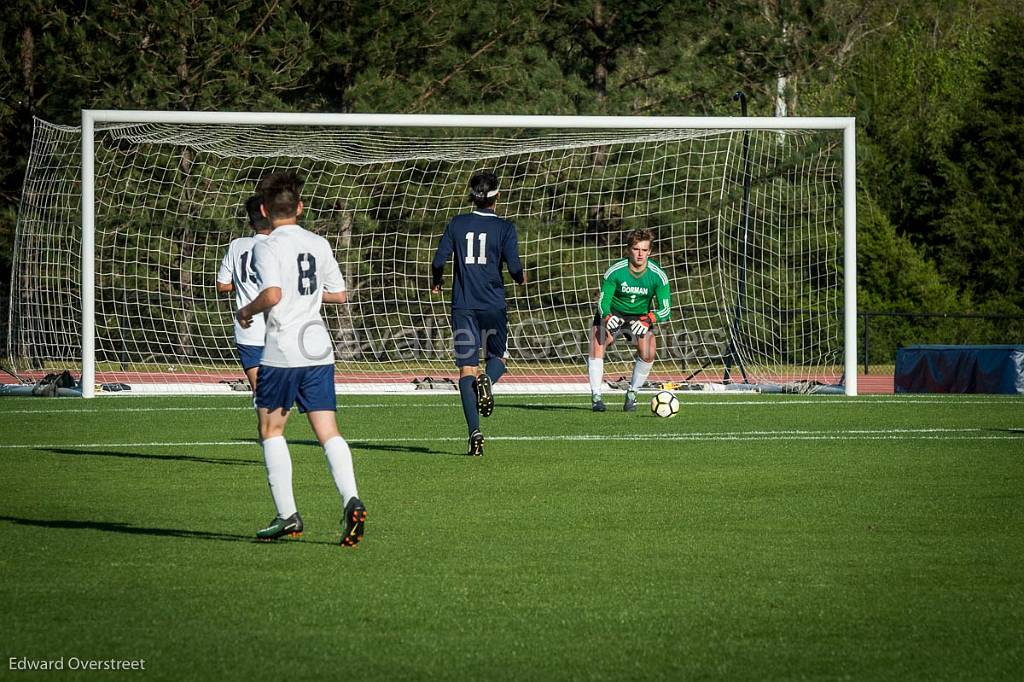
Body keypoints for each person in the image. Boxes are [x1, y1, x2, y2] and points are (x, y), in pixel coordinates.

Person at [237, 171, 366, 546]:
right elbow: (338, 294)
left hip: (283, 351)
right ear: (300, 208)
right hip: (318, 348)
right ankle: (351, 499)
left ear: (264, 210)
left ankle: (287, 515)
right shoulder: (319, 242)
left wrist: (247, 311)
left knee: (271, 431)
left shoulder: (266, 246)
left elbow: (273, 295)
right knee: (329, 432)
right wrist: (304, 297)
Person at [430, 170, 526, 457]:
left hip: (463, 306)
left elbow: (438, 261)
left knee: (466, 370)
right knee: (499, 358)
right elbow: (514, 268)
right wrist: (521, 279)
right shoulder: (505, 228)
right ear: (497, 196)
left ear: (471, 196)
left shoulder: (457, 224)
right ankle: (490, 380)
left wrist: (436, 280)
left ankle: (474, 433)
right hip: (493, 304)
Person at [588, 228, 672, 412]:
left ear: (650, 251)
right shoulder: (615, 271)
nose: (640, 254)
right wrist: (608, 316)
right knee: (597, 340)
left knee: (649, 351)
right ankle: (596, 397)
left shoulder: (658, 275)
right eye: (636, 249)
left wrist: (649, 319)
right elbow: (602, 302)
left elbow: (666, 310)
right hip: (614, 312)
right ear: (628, 249)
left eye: (644, 250)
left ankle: (632, 393)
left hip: (640, 316)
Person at [217, 195, 272, 393]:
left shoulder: (236, 245)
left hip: (247, 330)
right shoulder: (281, 246)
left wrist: (241, 284)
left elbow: (222, 285)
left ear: (251, 223)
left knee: (262, 396)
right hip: (277, 328)